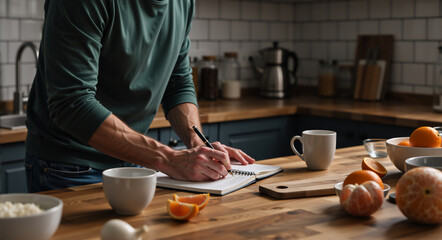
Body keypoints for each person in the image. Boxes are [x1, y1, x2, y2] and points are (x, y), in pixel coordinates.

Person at [25, 0, 254, 193]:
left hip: (135, 162)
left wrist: (200, 147)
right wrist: (170, 159)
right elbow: (72, 104)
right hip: (68, 167)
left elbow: (177, 83)